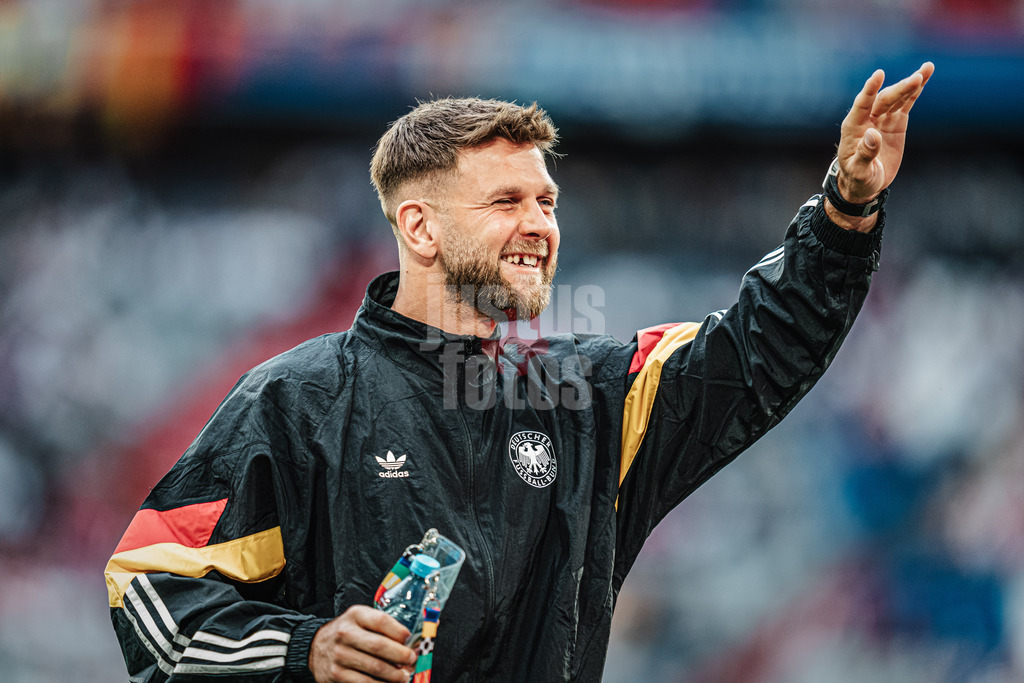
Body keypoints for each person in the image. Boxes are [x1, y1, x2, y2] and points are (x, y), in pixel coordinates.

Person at [105, 61, 934, 682]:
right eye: (506, 201)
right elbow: (150, 588)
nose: (540, 223)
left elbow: (758, 351)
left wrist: (845, 208)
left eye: (548, 201)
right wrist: (305, 647)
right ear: (420, 228)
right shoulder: (296, 399)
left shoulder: (594, 398)